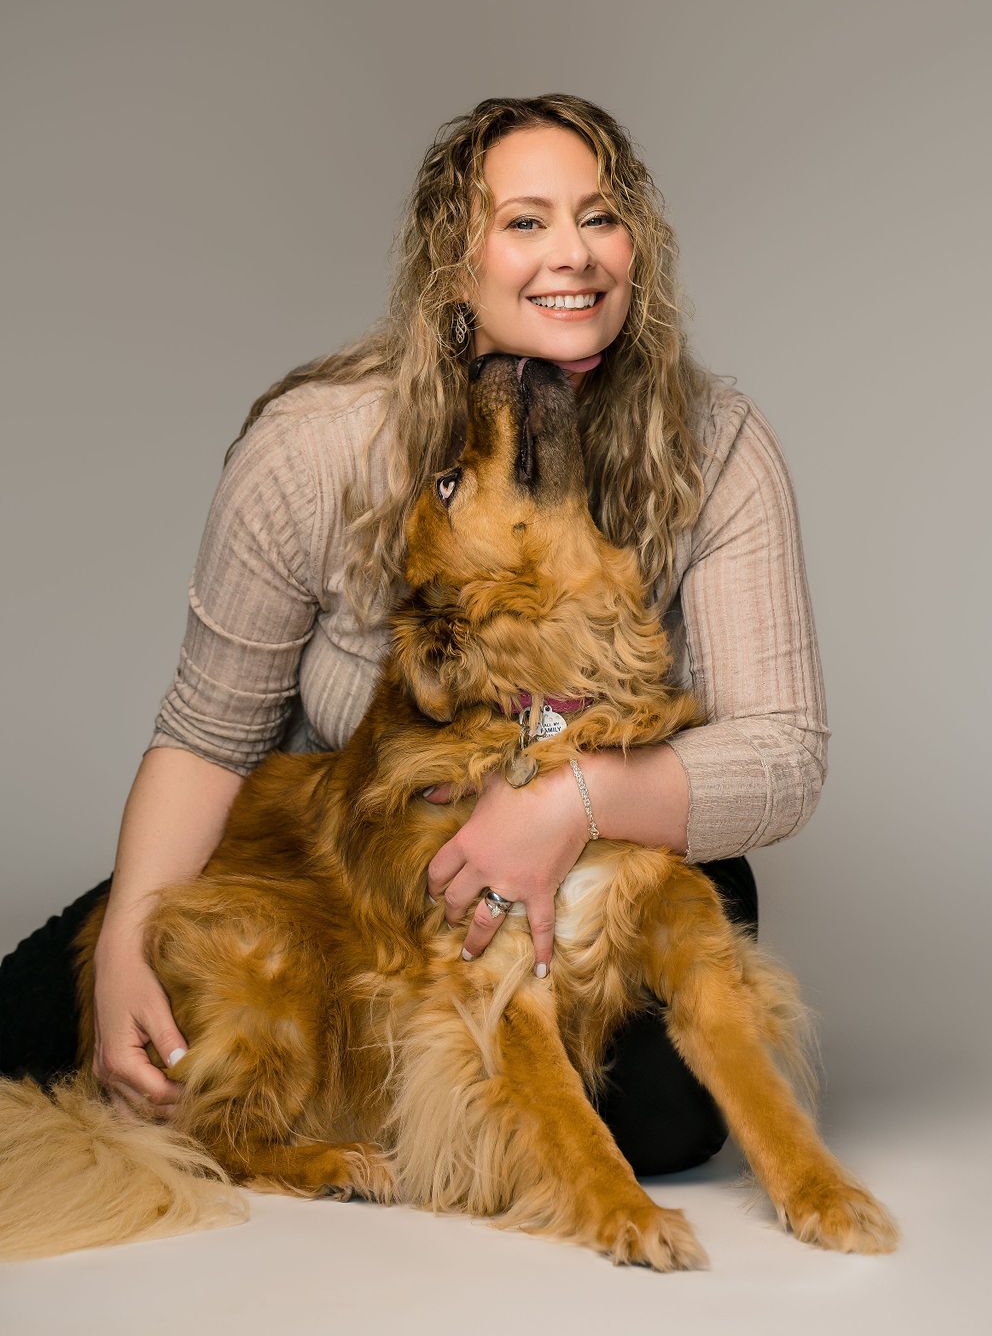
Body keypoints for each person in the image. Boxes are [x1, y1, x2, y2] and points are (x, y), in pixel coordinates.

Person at [0, 94, 829, 1176]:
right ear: (454, 265)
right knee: (47, 1042)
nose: (573, 254)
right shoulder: (315, 448)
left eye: (600, 217)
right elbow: (206, 737)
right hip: (345, 876)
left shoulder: (717, 446)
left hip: (620, 850)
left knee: (666, 1118)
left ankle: (423, 1101)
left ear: (638, 247)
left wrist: (567, 804)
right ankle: (356, 1080)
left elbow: (783, 753)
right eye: (524, 221)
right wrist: (125, 943)